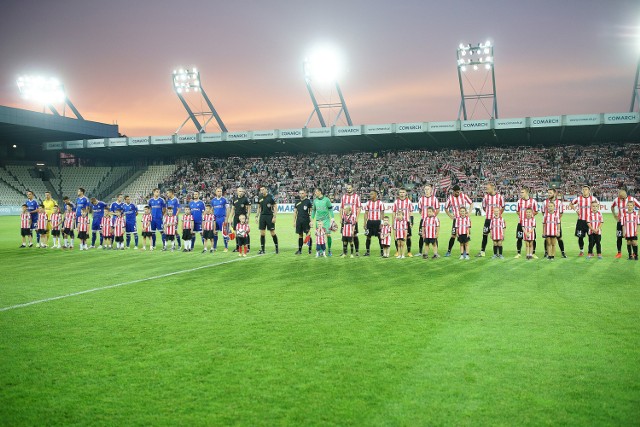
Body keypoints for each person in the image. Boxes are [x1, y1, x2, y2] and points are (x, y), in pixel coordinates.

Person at [610, 187, 640, 259]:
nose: (621, 198)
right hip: (620, 222)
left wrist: (638, 216)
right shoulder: (616, 200)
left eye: (622, 197)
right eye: (620, 197)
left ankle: (634, 254)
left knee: (632, 239)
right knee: (619, 237)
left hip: (630, 223)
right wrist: (614, 215)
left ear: (625, 195)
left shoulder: (632, 199)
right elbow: (612, 207)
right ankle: (619, 252)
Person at [444, 185, 472, 257]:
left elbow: (471, 203)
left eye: (459, 191)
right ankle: (449, 251)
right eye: (457, 192)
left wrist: (469, 212)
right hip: (456, 220)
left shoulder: (463, 196)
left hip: (465, 220)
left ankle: (465, 252)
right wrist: (450, 216)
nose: (458, 193)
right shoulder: (450, 198)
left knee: (465, 235)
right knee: (453, 235)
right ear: (453, 191)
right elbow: (446, 208)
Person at [478, 183, 504, 257]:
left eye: (488, 188)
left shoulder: (499, 197)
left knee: (498, 237)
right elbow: (484, 207)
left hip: (496, 220)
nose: (487, 190)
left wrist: (498, 215)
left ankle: (499, 253)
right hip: (488, 220)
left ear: (493, 188)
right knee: (485, 235)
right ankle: (482, 252)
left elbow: (503, 206)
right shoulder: (486, 197)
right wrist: (488, 213)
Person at [570, 185, 598, 256]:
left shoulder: (593, 198)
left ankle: (590, 251)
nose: (584, 190)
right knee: (580, 237)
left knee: (591, 237)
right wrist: (576, 210)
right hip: (581, 221)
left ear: (589, 191)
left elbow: (598, 205)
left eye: (586, 189)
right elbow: (571, 204)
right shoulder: (578, 198)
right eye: (583, 189)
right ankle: (581, 250)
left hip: (590, 221)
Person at [543, 187, 567, 258]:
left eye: (550, 193)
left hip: (556, 223)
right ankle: (546, 252)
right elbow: (543, 212)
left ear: (554, 193)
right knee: (547, 238)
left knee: (559, 237)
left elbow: (561, 213)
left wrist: (556, 221)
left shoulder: (559, 202)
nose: (549, 194)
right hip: (548, 224)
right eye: (548, 193)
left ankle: (562, 252)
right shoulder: (545, 202)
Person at [311, 188, 335, 256]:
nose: (315, 193)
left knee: (328, 235)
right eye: (315, 192)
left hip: (326, 220)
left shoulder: (326, 200)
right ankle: (321, 250)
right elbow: (313, 211)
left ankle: (329, 250)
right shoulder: (315, 201)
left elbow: (330, 209)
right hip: (318, 221)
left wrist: (332, 218)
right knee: (319, 235)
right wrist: (312, 220)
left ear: (320, 192)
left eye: (316, 192)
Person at [515, 187, 538, 259]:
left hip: (530, 224)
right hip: (521, 223)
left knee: (532, 239)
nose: (521, 194)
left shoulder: (533, 201)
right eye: (520, 192)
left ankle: (533, 253)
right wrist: (523, 218)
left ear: (527, 192)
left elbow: (536, 211)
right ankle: (518, 253)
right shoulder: (519, 201)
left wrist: (529, 218)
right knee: (519, 238)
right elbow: (517, 211)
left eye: (522, 192)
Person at [417, 184, 439, 256]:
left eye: (428, 189)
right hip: (423, 220)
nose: (426, 191)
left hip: (432, 221)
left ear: (431, 190)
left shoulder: (434, 199)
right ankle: (420, 252)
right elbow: (420, 209)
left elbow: (437, 209)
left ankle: (436, 253)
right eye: (425, 189)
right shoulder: (421, 199)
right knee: (421, 235)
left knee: (434, 236)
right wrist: (424, 216)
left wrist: (433, 217)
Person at [256, 186, 279, 254]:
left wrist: (274, 217)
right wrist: (256, 216)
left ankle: (277, 248)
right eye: (261, 190)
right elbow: (259, 207)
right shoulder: (260, 197)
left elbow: (275, 206)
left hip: (269, 216)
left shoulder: (270, 197)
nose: (262, 191)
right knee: (262, 233)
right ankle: (263, 250)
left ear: (266, 190)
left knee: (272, 233)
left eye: (263, 189)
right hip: (262, 216)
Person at [340, 184, 361, 256]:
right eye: (347, 188)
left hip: (353, 219)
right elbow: (341, 208)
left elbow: (359, 208)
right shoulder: (344, 197)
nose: (348, 189)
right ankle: (344, 252)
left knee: (354, 234)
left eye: (349, 188)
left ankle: (357, 251)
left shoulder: (356, 197)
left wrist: (357, 218)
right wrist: (341, 218)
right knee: (344, 234)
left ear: (352, 188)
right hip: (345, 219)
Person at [228, 187, 251, 252]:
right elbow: (232, 209)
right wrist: (230, 218)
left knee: (245, 232)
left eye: (242, 191)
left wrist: (248, 217)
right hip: (236, 217)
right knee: (237, 232)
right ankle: (238, 247)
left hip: (243, 217)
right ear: (237, 191)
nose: (241, 192)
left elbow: (249, 208)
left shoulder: (246, 199)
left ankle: (247, 247)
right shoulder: (234, 199)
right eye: (239, 191)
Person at [393, 189, 414, 257]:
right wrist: (393, 222)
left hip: (406, 221)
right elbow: (394, 212)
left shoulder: (409, 202)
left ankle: (409, 251)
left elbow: (411, 212)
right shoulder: (396, 202)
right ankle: (397, 251)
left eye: (403, 192)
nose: (402, 193)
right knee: (397, 237)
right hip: (398, 222)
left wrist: (411, 221)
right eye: (400, 192)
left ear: (405, 193)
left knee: (408, 237)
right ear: (399, 193)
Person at [363, 190, 384, 257]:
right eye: (370, 194)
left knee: (380, 237)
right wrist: (365, 223)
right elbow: (366, 213)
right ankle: (367, 252)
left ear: (375, 195)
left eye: (372, 194)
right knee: (368, 237)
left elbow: (382, 213)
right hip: (370, 222)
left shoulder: (380, 203)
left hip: (377, 222)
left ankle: (382, 251)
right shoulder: (368, 203)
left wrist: (382, 223)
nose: (370, 195)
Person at [294, 189, 313, 255]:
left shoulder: (308, 201)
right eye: (300, 193)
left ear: (305, 194)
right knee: (300, 235)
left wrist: (311, 221)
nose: (301, 194)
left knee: (308, 234)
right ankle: (299, 250)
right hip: (299, 220)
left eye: (302, 193)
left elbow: (311, 211)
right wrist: (294, 221)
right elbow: (295, 212)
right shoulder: (297, 202)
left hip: (306, 220)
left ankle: (310, 250)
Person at [210, 187, 229, 252]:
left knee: (224, 233)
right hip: (215, 219)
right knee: (215, 233)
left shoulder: (224, 200)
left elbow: (228, 209)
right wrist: (212, 218)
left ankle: (226, 247)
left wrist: (226, 218)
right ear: (216, 192)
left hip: (222, 218)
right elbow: (212, 210)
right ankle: (215, 247)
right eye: (218, 191)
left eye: (220, 191)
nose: (219, 192)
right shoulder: (213, 201)